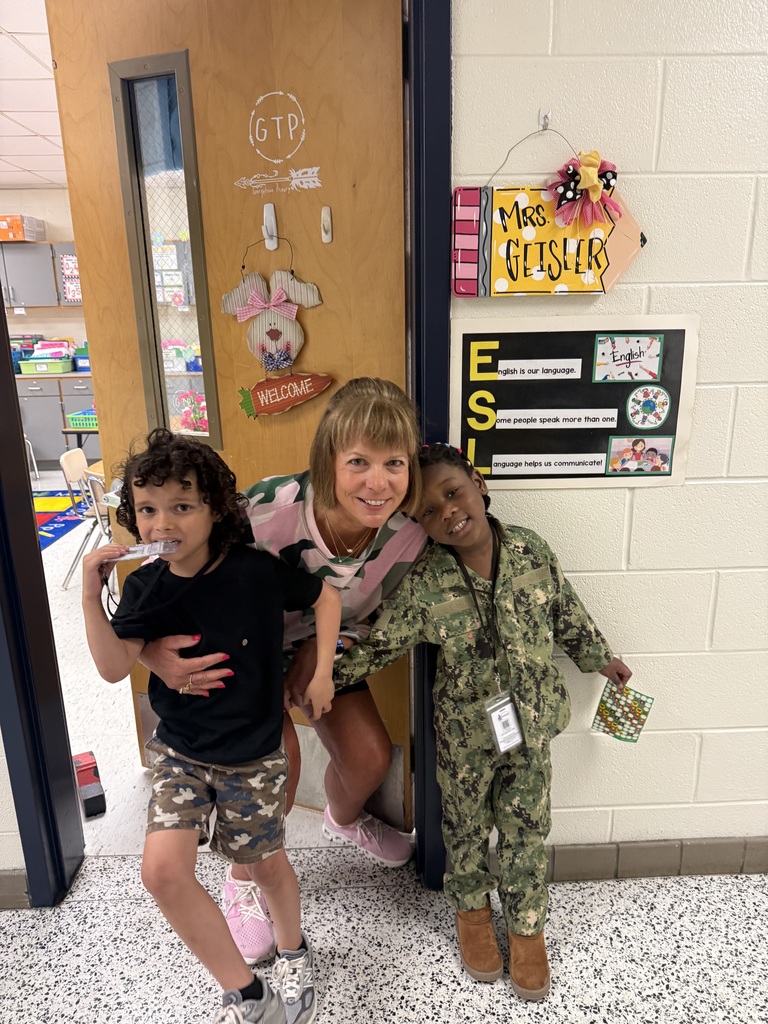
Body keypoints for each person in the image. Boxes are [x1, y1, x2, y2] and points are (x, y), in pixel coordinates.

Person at [139, 379, 427, 964]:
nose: (377, 482)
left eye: (393, 463)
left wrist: (321, 651)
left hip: (327, 650)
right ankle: (244, 880)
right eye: (358, 462)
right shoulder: (265, 509)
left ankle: (343, 821)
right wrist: (149, 653)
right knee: (278, 766)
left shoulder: (408, 538)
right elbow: (173, 567)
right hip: (240, 656)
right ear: (328, 460)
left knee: (370, 757)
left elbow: (377, 618)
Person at [333, 443, 632, 1002]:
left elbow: (566, 609)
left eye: (453, 493)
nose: (447, 511)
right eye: (428, 510)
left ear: (478, 483)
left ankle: (527, 927)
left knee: (526, 828)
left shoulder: (529, 549)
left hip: (532, 727)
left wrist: (600, 657)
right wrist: (318, 675)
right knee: (465, 829)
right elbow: (380, 644)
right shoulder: (425, 582)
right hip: (465, 738)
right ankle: (472, 912)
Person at [81, 429, 341, 1024]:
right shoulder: (144, 585)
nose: (162, 523)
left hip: (253, 755)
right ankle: (248, 996)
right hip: (180, 751)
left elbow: (325, 598)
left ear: (215, 508)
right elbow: (113, 666)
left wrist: (322, 672)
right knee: (162, 872)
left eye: (181, 505)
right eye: (147, 509)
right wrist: (92, 600)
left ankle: (294, 949)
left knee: (266, 866)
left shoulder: (255, 571)